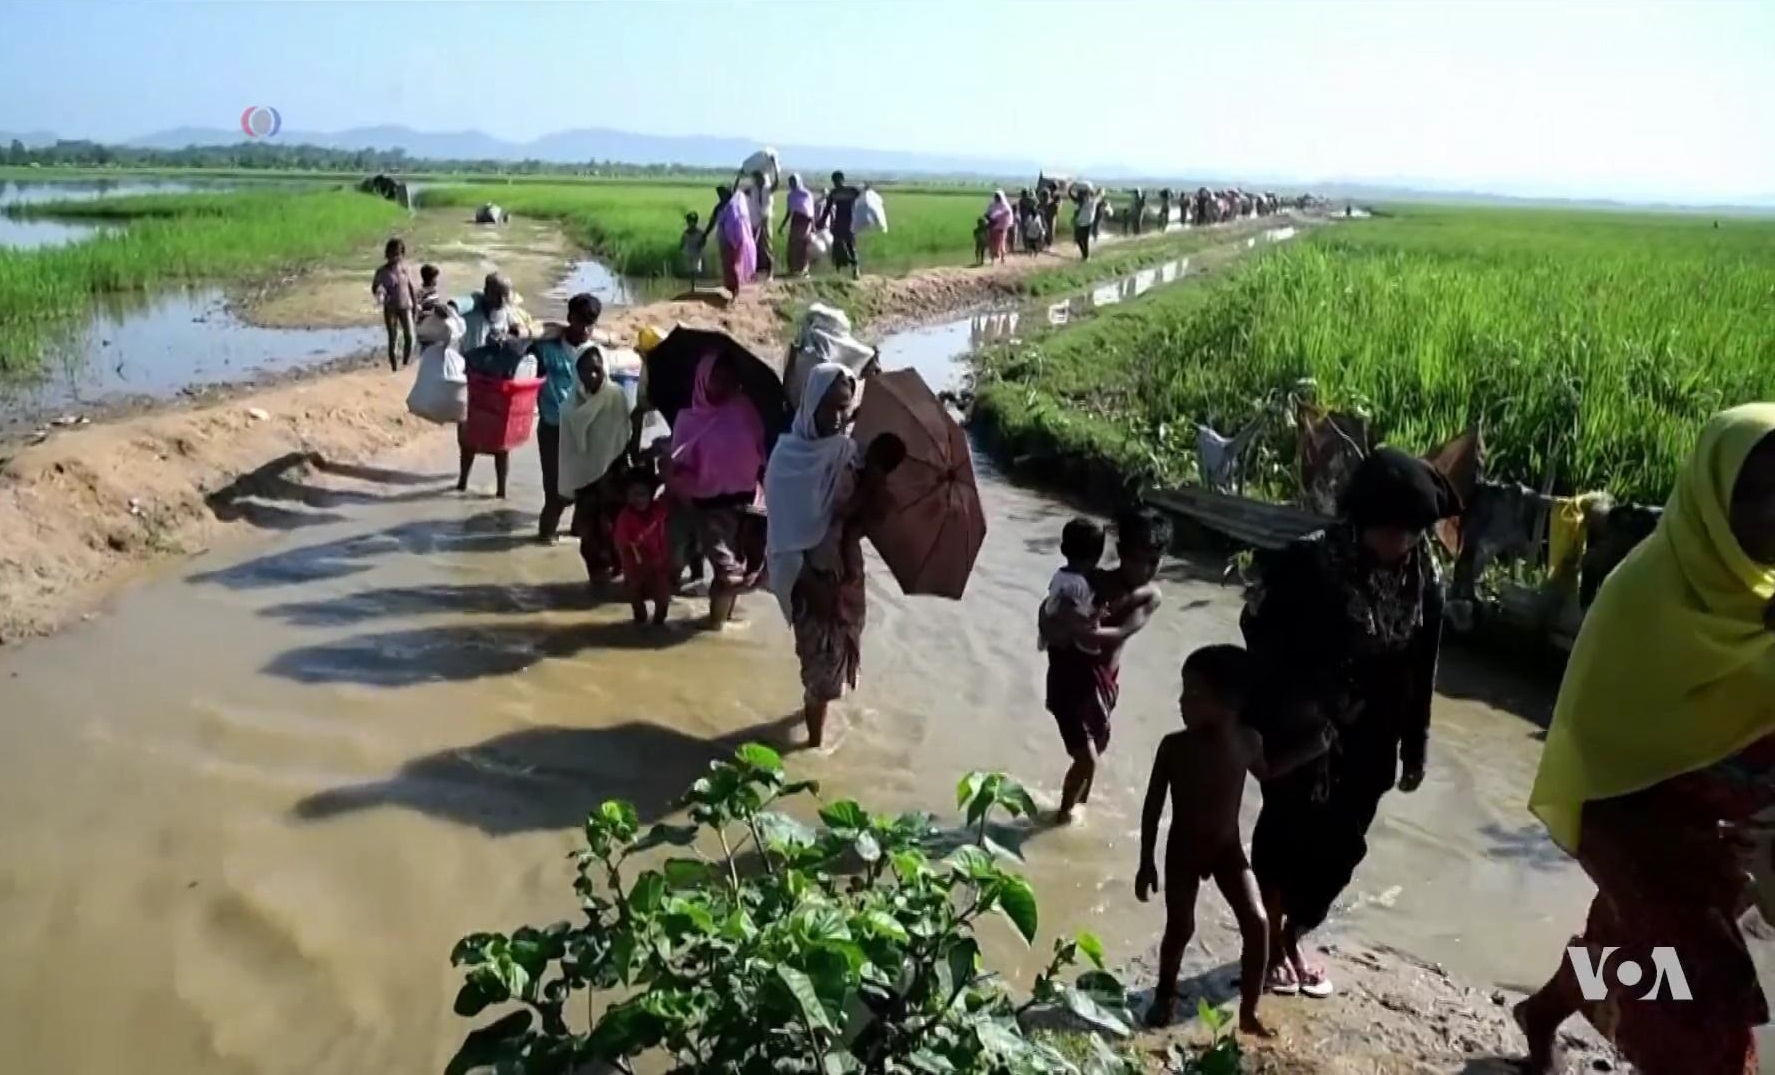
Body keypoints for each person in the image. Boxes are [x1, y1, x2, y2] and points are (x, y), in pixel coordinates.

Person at [1512, 404, 1775, 1075]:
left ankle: (1546, 1007)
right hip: (1623, 807)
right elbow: (1601, 730)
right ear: (1710, 498)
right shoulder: (1645, 594)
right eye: (1751, 494)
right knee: (1704, 988)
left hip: (1711, 819)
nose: (1771, 512)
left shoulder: (1763, 597)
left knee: (1634, 950)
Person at [1240, 447, 1458, 998]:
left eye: (1412, 532)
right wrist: (1306, 704)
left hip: (1374, 734)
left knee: (1341, 846)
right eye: (1391, 530)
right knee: (1285, 832)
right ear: (1360, 520)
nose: (1402, 543)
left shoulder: (1425, 577)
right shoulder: (1307, 563)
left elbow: (1422, 663)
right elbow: (1258, 629)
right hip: (1305, 723)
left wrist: (1418, 744)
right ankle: (1265, 943)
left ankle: (1294, 930)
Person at [1137, 645, 1334, 1034]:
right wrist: (1146, 860)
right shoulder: (1174, 746)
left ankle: (1248, 1012)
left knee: (1258, 923)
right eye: (1183, 691)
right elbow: (1152, 805)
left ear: (1229, 703)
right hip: (1183, 852)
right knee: (1180, 928)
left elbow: (1268, 771)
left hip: (1227, 850)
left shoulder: (1249, 741)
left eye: (1193, 694)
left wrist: (1314, 746)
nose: (1181, 701)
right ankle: (1164, 994)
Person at [764, 363, 904, 748]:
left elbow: (867, 517)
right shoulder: (786, 459)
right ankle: (813, 747)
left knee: (838, 657)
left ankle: (815, 712)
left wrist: (874, 482)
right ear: (811, 404)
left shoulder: (848, 454)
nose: (839, 416)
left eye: (845, 407)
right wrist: (811, 584)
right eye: (831, 407)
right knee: (821, 669)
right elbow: (783, 535)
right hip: (806, 575)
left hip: (845, 573)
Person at [1039, 507, 1167, 822]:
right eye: (1139, 559)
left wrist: (1085, 630)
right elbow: (1050, 606)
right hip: (1069, 680)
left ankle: (1076, 807)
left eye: (1154, 561)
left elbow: (1122, 633)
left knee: (1095, 751)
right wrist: (1053, 624)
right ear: (1121, 552)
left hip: (1103, 686)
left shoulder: (1148, 596)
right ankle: (1063, 817)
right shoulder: (1093, 579)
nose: (1146, 569)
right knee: (1087, 760)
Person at [667, 352, 766, 629]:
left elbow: (762, 449)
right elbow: (678, 467)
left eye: (730, 379)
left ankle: (718, 622)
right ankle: (712, 626)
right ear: (702, 380)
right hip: (706, 504)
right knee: (728, 571)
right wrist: (672, 471)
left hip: (745, 501)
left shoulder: (745, 409)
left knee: (738, 565)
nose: (724, 385)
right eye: (717, 379)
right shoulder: (688, 420)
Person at [530, 293, 604, 544]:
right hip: (554, 427)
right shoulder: (547, 349)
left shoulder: (597, 353)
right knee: (555, 493)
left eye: (590, 324)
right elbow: (522, 340)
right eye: (580, 322)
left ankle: (576, 532)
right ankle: (545, 536)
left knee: (586, 490)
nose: (584, 329)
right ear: (569, 318)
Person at [557, 339, 633, 583]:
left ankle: (621, 576)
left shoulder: (615, 396)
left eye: (597, 369)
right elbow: (568, 451)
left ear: (605, 370)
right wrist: (569, 484)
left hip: (614, 477)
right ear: (576, 372)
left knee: (618, 534)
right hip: (586, 482)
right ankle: (596, 583)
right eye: (585, 369)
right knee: (589, 538)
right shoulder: (570, 405)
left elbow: (624, 435)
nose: (592, 375)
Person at [456, 272, 536, 498]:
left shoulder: (511, 314)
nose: (501, 300)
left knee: (503, 440)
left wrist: (512, 338)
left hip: (500, 384)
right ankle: (462, 482)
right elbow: (454, 312)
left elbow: (526, 337)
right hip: (474, 379)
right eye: (496, 294)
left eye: (505, 295)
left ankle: (501, 491)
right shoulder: (473, 309)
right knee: (468, 436)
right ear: (486, 292)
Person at [613, 467, 674, 627]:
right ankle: (639, 624)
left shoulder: (658, 508)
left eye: (643, 494)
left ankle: (658, 625)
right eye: (633, 495)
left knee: (663, 598)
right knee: (635, 597)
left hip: (659, 564)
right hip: (634, 566)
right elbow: (620, 541)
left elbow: (671, 491)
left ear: (651, 495)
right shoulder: (625, 516)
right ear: (626, 496)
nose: (638, 499)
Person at [701, 185, 757, 300]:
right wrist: (705, 235)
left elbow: (742, 224)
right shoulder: (720, 207)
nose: (720, 196)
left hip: (735, 240)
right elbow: (712, 222)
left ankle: (736, 291)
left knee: (733, 266)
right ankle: (731, 289)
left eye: (722, 194)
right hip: (724, 239)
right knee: (727, 266)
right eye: (719, 194)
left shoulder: (735, 206)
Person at [371, 237, 418, 372]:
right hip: (390, 307)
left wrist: (415, 306)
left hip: (406, 306)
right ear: (387, 254)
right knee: (393, 338)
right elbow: (375, 288)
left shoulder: (405, 269)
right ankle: (394, 367)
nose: (395, 257)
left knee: (410, 337)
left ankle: (405, 362)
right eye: (392, 253)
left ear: (402, 254)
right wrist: (380, 292)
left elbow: (411, 288)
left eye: (398, 253)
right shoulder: (382, 272)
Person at [819, 171, 862, 280]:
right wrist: (822, 221)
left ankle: (855, 270)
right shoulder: (836, 193)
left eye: (837, 181)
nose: (836, 183)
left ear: (842, 180)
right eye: (834, 181)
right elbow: (827, 208)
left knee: (850, 246)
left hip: (849, 222)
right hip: (839, 222)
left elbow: (862, 196)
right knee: (838, 246)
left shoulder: (851, 191)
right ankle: (838, 272)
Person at [781, 173, 817, 277]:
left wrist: (813, 226)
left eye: (794, 181)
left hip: (805, 222)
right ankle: (793, 269)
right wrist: (782, 225)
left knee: (803, 246)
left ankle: (804, 270)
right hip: (795, 222)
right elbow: (789, 212)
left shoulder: (807, 194)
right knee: (792, 246)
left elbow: (811, 211)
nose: (792, 183)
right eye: (790, 181)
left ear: (799, 181)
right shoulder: (790, 195)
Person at [747, 169, 775, 281]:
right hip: (755, 220)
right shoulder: (752, 190)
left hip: (765, 219)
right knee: (755, 245)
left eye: (761, 178)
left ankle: (770, 273)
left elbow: (776, 183)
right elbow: (737, 192)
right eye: (757, 178)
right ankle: (756, 272)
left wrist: (775, 168)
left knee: (767, 245)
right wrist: (739, 177)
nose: (759, 180)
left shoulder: (768, 189)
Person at [986, 190, 1014, 264]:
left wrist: (999, 221)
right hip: (993, 226)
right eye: (996, 196)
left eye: (998, 196)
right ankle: (992, 260)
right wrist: (990, 219)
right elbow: (987, 213)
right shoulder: (992, 205)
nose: (997, 198)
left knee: (1001, 243)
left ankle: (1002, 258)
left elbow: (1007, 217)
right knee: (992, 243)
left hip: (1001, 228)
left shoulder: (1005, 206)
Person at [1072, 189, 1098, 261]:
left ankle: (1086, 256)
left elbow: (1098, 195)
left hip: (1088, 223)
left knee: (1085, 240)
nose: (1084, 197)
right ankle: (1084, 255)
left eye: (1086, 195)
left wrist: (1096, 192)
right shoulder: (1082, 203)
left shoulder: (1092, 202)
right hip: (1080, 223)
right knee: (1078, 239)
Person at [679, 213, 705, 284]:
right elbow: (682, 242)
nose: (690, 224)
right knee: (690, 269)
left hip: (696, 253)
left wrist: (700, 246)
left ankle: (694, 284)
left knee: (695, 269)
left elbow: (703, 242)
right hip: (688, 253)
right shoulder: (685, 233)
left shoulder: (700, 233)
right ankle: (692, 284)